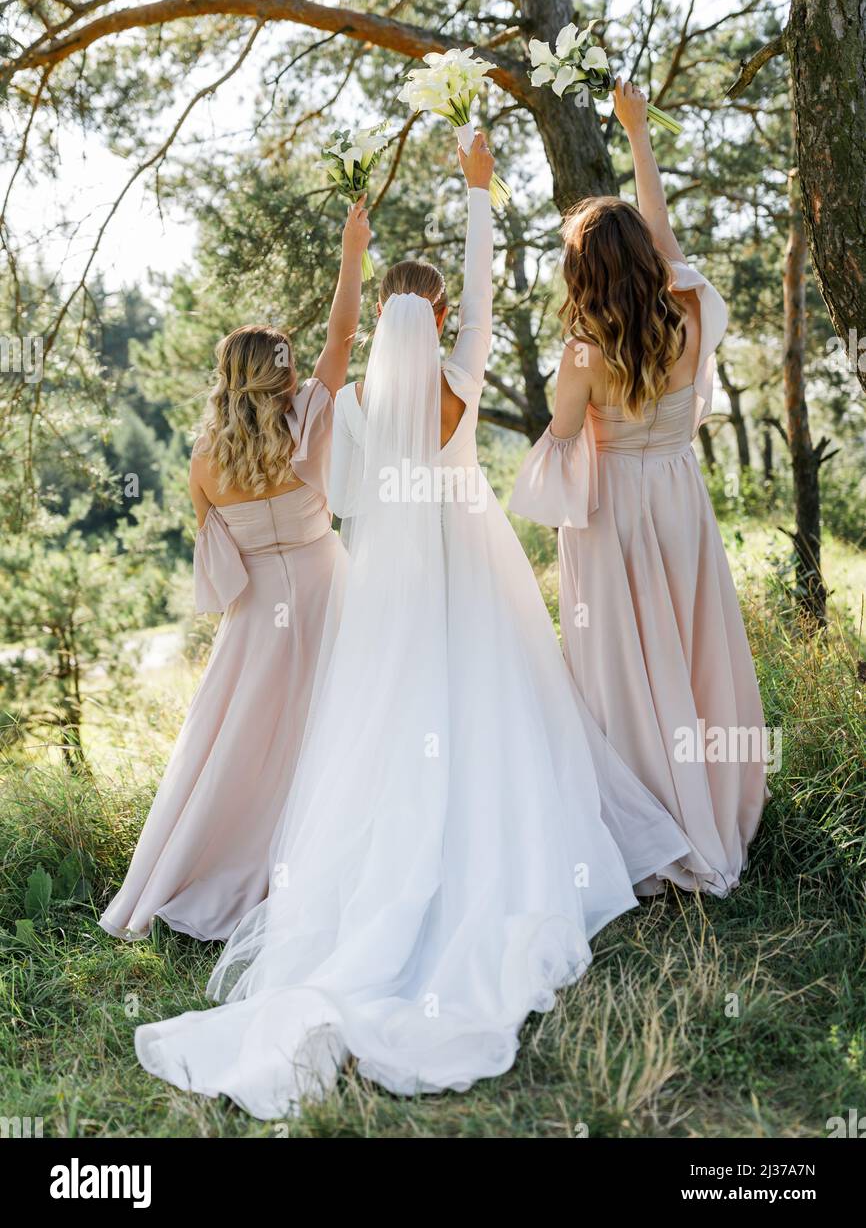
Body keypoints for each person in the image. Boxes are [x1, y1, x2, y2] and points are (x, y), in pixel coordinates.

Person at [134, 133, 687, 1118]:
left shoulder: (343, 406)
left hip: (385, 591)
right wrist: (478, 196)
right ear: (430, 320)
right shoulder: (460, 380)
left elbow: (338, 487)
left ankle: (387, 896)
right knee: (499, 711)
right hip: (473, 571)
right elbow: (479, 297)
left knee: (390, 733)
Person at [511, 81, 767, 896]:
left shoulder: (584, 353)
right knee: (690, 654)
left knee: (625, 669)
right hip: (678, 497)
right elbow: (661, 235)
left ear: (581, 271)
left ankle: (647, 819)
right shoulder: (688, 311)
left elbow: (560, 440)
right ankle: (707, 810)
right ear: (650, 262)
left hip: (613, 510)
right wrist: (637, 136)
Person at [98, 198, 371, 940]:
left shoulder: (204, 463)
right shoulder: (310, 415)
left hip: (256, 613)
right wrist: (354, 247)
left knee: (241, 747)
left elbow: (215, 558)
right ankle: (340, 859)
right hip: (328, 588)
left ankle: (209, 869)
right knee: (340, 725)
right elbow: (343, 333)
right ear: (283, 376)